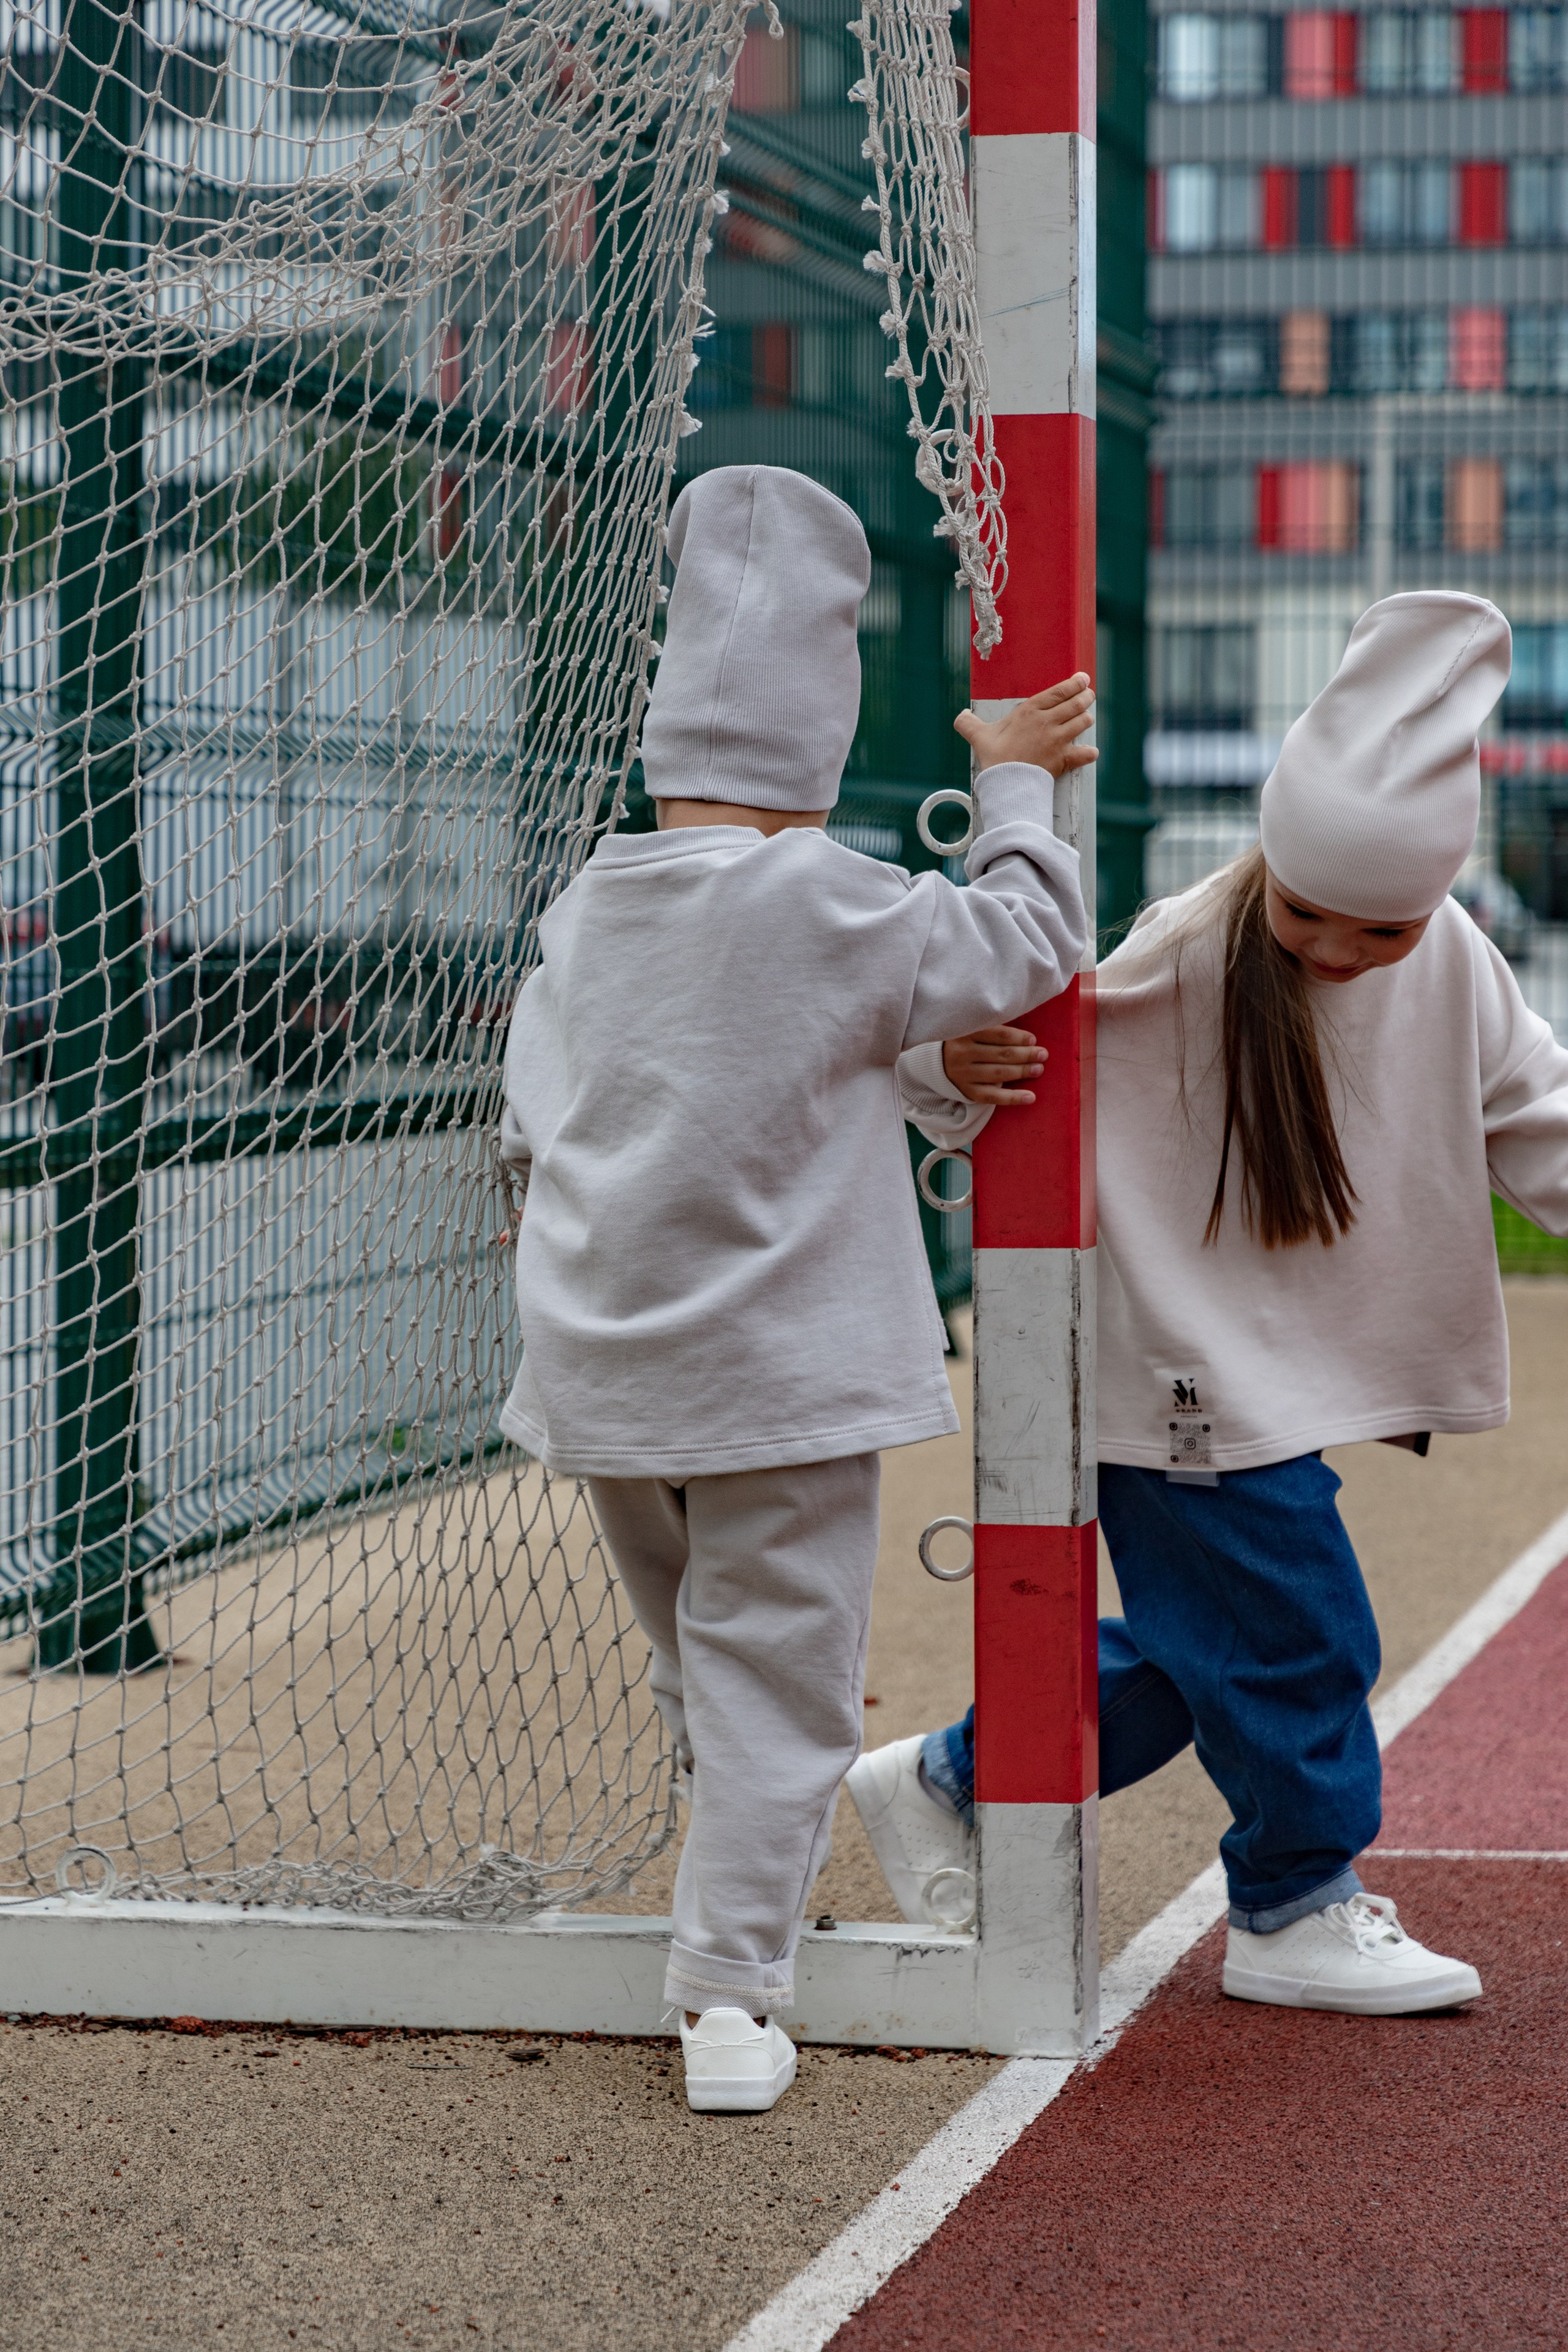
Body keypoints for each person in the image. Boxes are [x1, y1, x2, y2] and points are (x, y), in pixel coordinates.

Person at [853, 589, 1568, 2016]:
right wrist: (949, 1069)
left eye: (1378, 929)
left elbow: (1538, 1120)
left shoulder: (1455, 965)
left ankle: (947, 1774)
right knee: (1299, 1641)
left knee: (1214, 1654)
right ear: (1270, 862)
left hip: (1255, 1361)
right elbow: (1006, 1036)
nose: (1333, 949)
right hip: (1175, 1367)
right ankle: (1292, 1902)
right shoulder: (1196, 939)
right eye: (1309, 912)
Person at [497, 463, 1091, 2108]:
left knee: (706, 1655)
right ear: (814, 747)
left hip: (605, 1374)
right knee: (783, 1678)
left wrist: (924, 1067)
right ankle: (728, 1990)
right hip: (781, 1378)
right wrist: (1020, 784)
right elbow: (1035, 935)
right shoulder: (833, 898)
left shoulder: (590, 910)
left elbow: (601, 1109)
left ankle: (729, 1859)